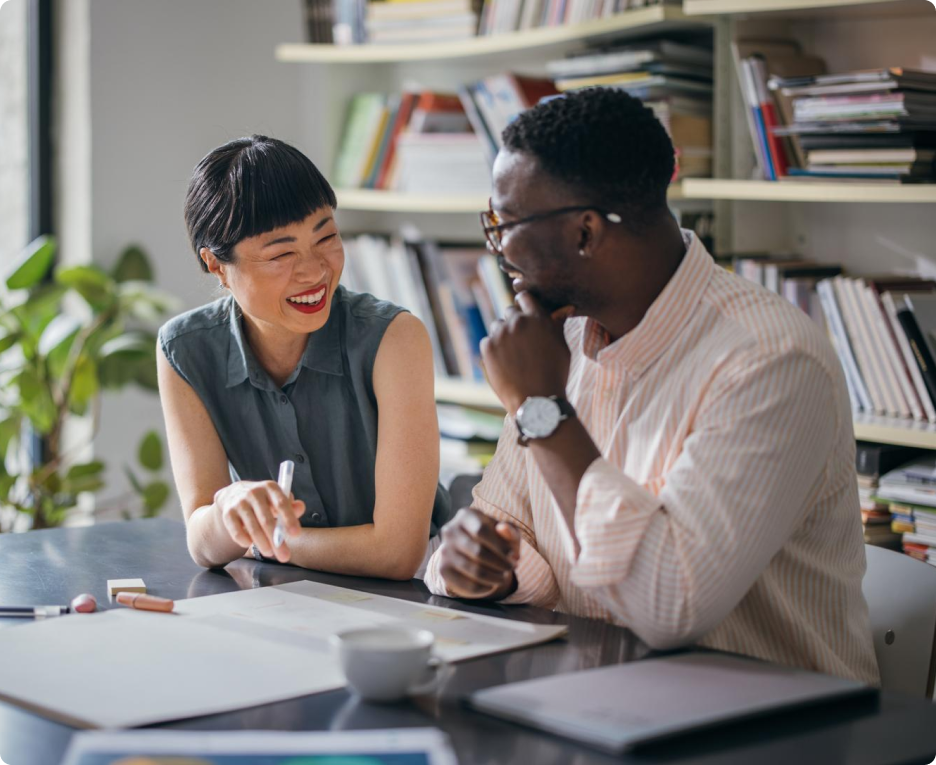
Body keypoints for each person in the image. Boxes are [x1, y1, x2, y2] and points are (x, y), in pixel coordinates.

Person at [425, 88, 879, 684]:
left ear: (586, 233)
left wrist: (542, 409)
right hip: (602, 694)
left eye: (505, 225)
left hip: (768, 727)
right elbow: (517, 533)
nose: (499, 252)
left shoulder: (769, 361)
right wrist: (489, 567)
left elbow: (670, 604)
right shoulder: (558, 341)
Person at [157, 135, 451, 579]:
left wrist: (261, 542)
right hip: (285, 597)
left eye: (326, 237)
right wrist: (226, 511)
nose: (315, 271)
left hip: (416, 593)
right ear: (217, 266)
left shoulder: (394, 338)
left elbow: (397, 553)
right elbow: (202, 540)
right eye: (281, 254)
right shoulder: (185, 349)